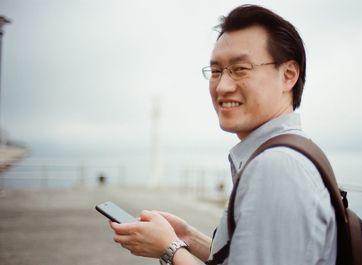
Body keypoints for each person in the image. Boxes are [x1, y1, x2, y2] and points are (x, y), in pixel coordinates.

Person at [109, 4, 337, 265]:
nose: (223, 86)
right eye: (216, 72)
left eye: (240, 69)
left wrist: (170, 249)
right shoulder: (295, 151)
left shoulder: (277, 167)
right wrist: (190, 239)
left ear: (288, 75)